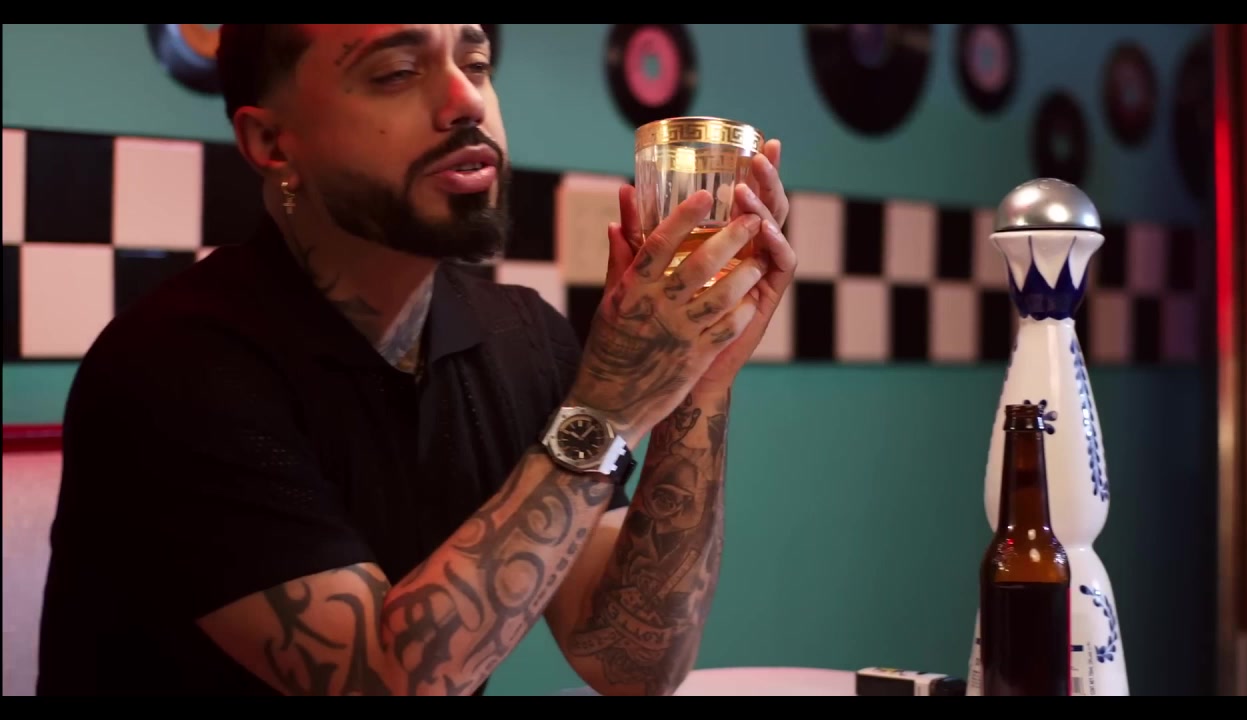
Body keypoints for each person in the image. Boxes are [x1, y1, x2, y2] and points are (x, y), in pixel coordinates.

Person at [35, 23, 795, 697]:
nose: (465, 100)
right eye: (397, 72)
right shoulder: (173, 369)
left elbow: (632, 664)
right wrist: (611, 402)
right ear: (271, 143)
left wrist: (697, 384)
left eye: (478, 62)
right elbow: (379, 681)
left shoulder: (522, 339)